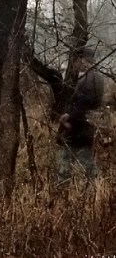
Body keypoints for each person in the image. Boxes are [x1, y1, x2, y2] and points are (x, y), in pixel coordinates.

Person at [56, 46, 104, 184]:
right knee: (83, 161)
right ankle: (95, 190)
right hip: (83, 127)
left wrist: (69, 117)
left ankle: (61, 192)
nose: (74, 65)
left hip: (79, 128)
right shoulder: (95, 77)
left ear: (82, 59)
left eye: (75, 61)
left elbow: (84, 104)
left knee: (68, 162)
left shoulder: (90, 79)